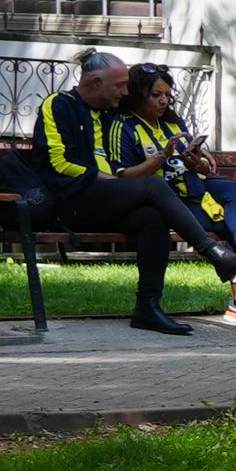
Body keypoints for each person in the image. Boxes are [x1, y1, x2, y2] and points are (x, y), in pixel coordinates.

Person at [27, 49, 203, 334]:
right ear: (96, 82)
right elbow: (58, 162)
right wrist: (106, 179)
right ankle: (217, 256)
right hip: (71, 202)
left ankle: (148, 308)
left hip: (105, 202)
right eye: (120, 85)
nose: (126, 91)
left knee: (151, 218)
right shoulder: (60, 105)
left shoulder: (110, 115)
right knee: (154, 186)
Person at [122, 64, 236, 324]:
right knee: (228, 221)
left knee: (235, 190)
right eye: (155, 95)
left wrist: (197, 163)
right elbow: (127, 176)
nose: (163, 100)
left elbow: (205, 169)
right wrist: (163, 156)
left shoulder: (172, 123)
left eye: (167, 94)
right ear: (138, 94)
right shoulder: (126, 126)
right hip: (166, 200)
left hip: (195, 187)